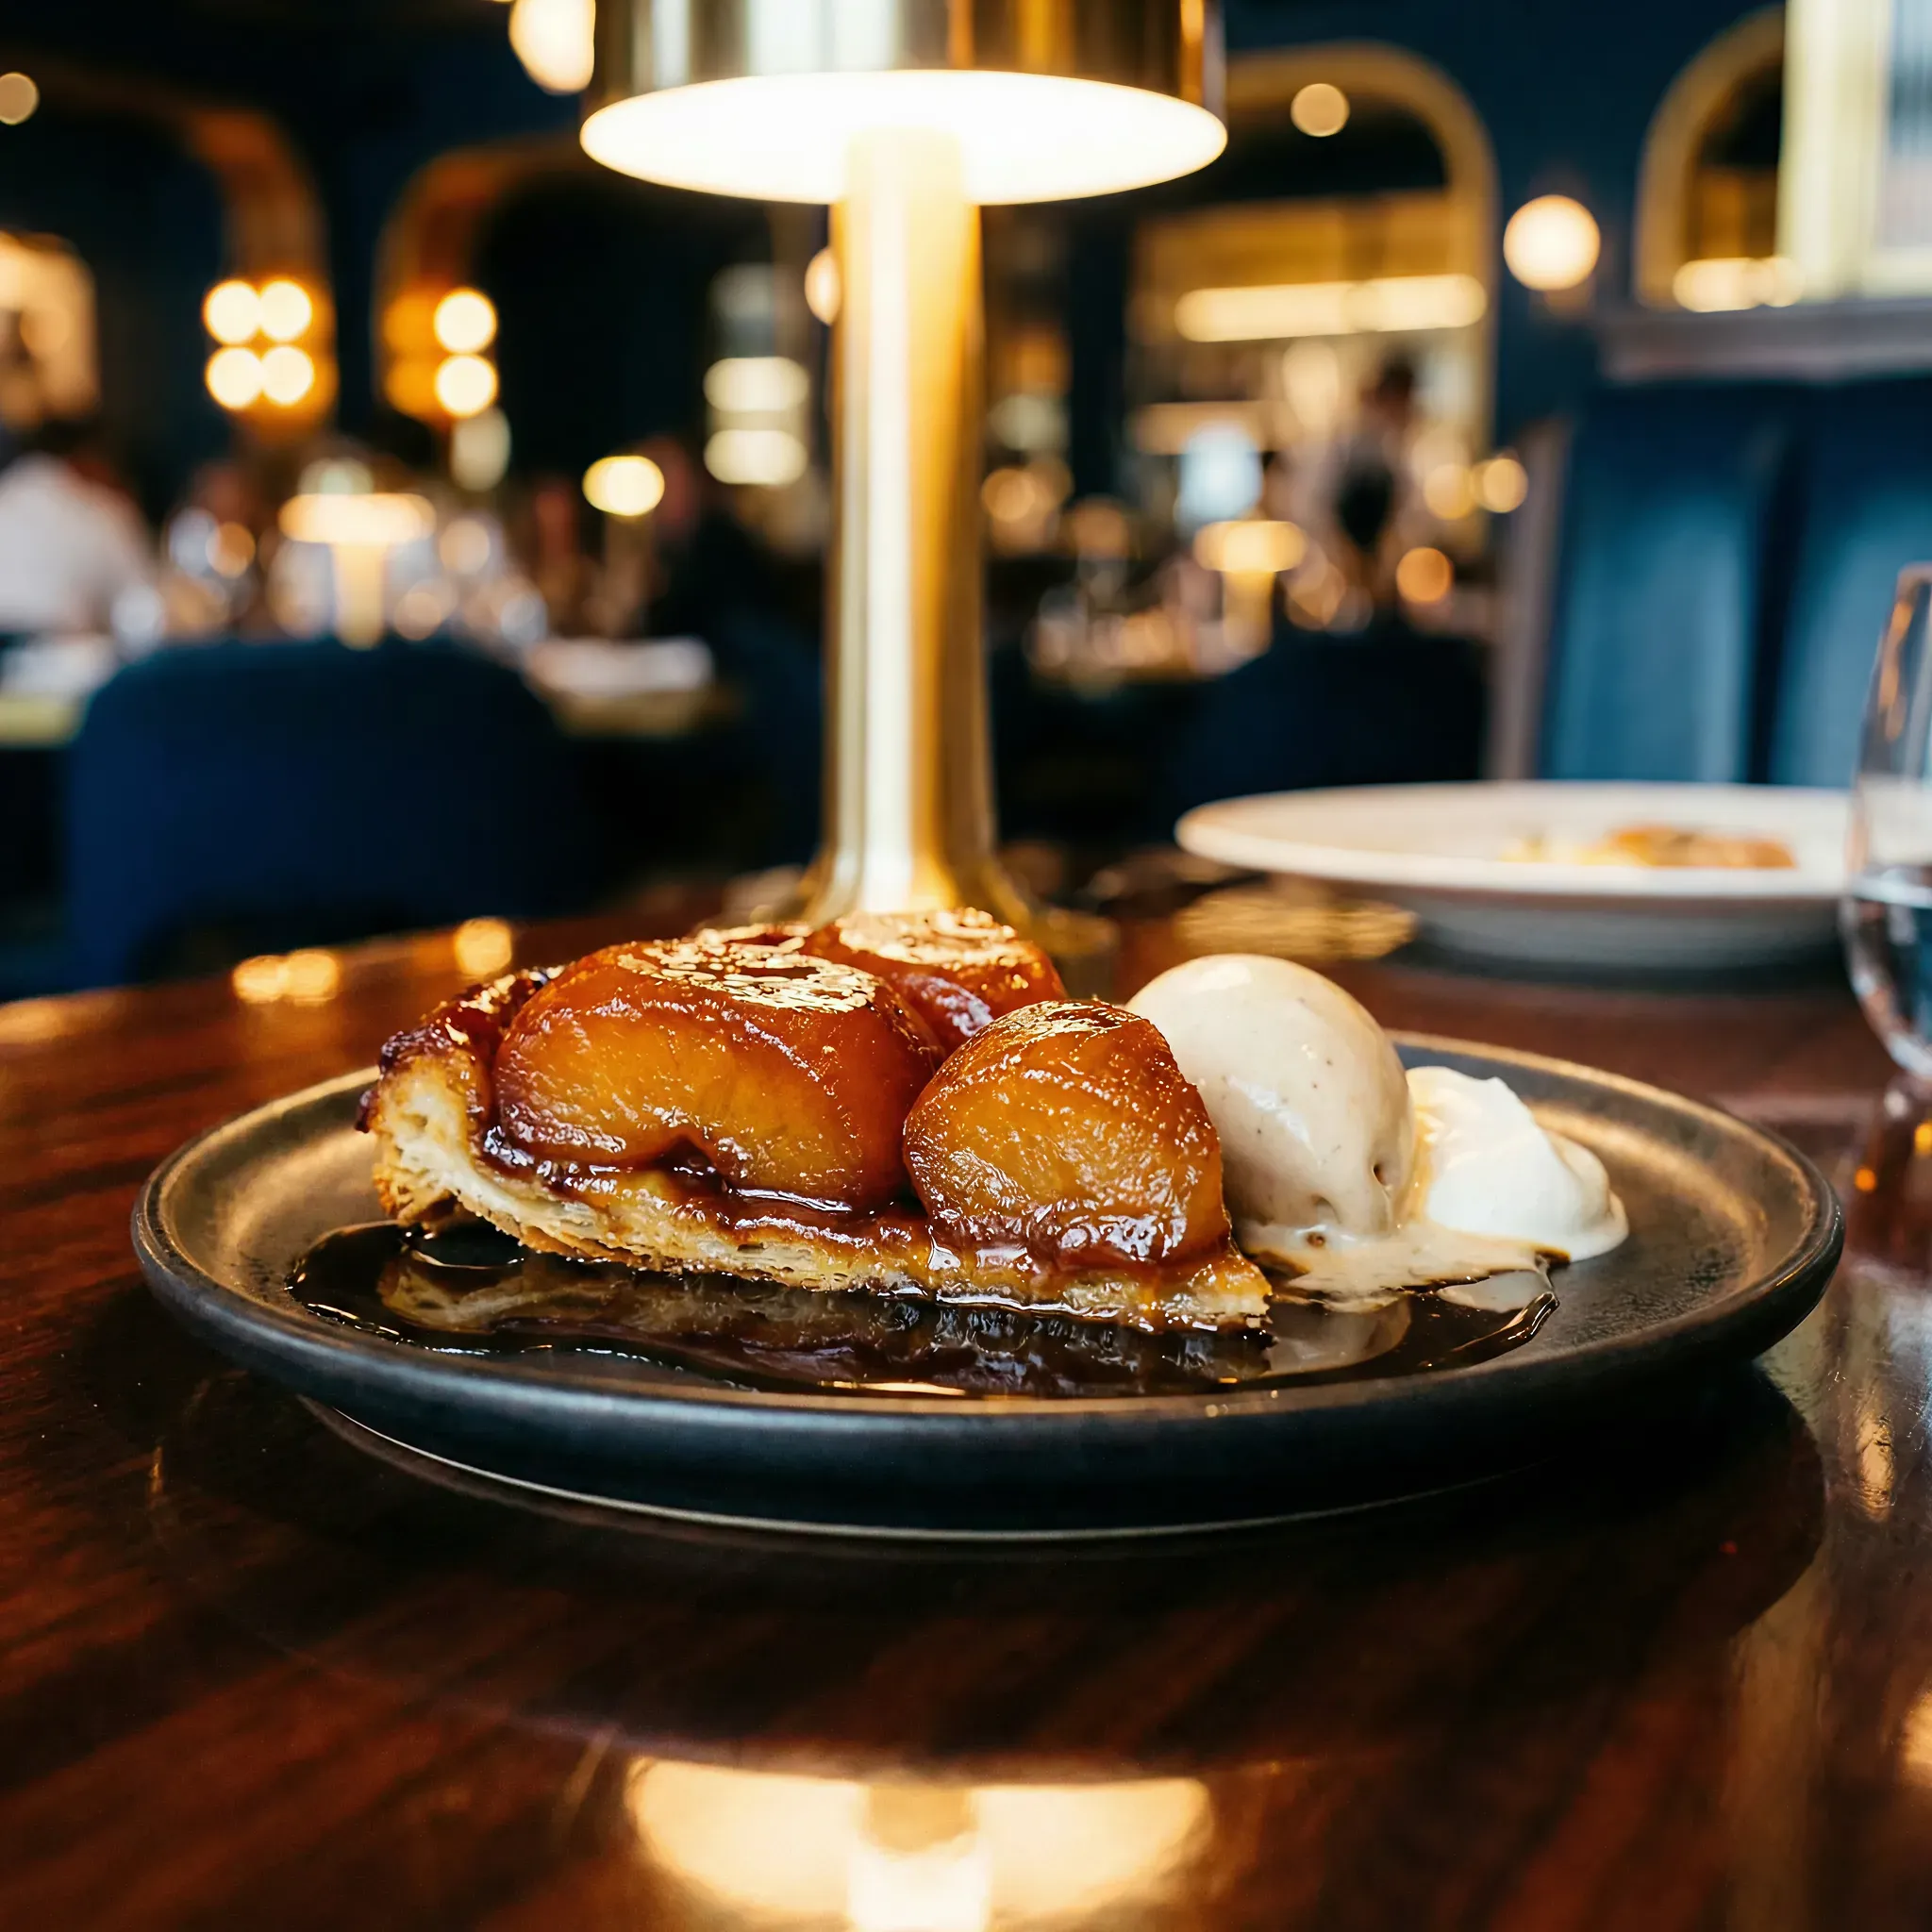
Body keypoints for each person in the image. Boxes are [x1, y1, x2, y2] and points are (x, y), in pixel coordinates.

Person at [0, 417, 154, 636]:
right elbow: (141, 606)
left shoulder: (7, 495)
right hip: (62, 645)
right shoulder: (101, 510)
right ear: (88, 455)